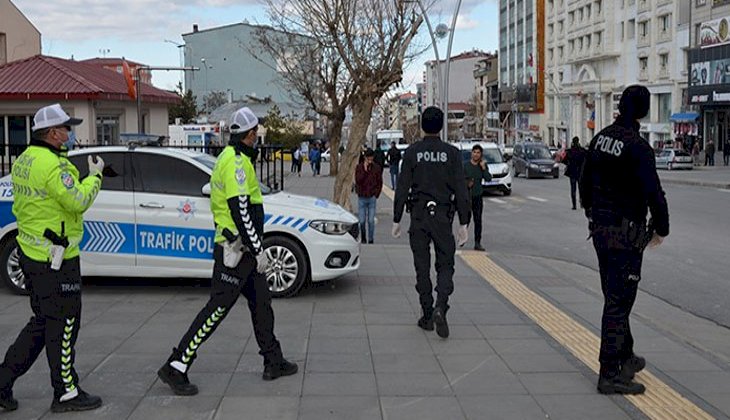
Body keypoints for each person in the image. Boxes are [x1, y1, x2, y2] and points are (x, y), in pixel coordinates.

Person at [158, 107, 297, 396]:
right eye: (256, 132)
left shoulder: (232, 158)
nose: (257, 136)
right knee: (216, 311)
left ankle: (273, 360)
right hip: (236, 252)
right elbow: (240, 208)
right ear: (249, 134)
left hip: (243, 251)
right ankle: (177, 364)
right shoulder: (235, 163)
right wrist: (259, 249)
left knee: (262, 305)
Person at [0, 104, 105, 413]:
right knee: (65, 323)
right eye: (66, 128)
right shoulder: (53, 166)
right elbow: (78, 201)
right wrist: (95, 177)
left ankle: (3, 380)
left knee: (43, 323)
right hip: (56, 259)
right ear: (52, 132)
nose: (70, 133)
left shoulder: (24, 160)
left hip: (32, 254)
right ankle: (66, 392)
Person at [579, 85, 669, 395]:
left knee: (614, 296)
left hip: (601, 231)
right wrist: (662, 228)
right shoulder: (638, 147)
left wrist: (591, 212)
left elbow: (584, 179)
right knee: (619, 303)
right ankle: (610, 372)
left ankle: (626, 355)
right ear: (643, 110)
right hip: (625, 235)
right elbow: (654, 193)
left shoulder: (602, 136)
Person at [392, 106, 470, 339]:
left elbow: (402, 187)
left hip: (418, 216)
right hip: (443, 217)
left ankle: (427, 314)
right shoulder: (452, 154)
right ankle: (441, 305)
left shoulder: (412, 152)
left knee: (421, 267)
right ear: (442, 125)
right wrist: (464, 223)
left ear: (422, 126)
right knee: (446, 265)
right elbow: (461, 190)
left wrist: (397, 218)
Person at [463, 144, 492, 251]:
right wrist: (467, 183)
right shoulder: (465, 165)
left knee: (478, 220)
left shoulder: (482, 165)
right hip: (467, 196)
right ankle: (462, 237)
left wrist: (484, 168)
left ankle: (477, 242)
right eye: (474, 152)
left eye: (478, 152)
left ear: (481, 154)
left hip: (478, 196)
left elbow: (488, 178)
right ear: (471, 153)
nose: (476, 154)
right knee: (466, 219)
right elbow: (460, 180)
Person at [355, 149, 383, 244]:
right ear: (365, 158)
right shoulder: (359, 168)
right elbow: (358, 180)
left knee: (371, 221)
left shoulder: (376, 168)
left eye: (371, 158)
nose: (370, 160)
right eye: (368, 158)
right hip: (362, 197)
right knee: (362, 221)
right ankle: (363, 237)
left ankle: (371, 239)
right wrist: (365, 170)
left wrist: (376, 194)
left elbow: (380, 182)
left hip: (372, 197)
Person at [563, 137, 586, 210]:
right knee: (581, 189)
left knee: (573, 190)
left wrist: (569, 164)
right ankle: (582, 203)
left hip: (572, 173)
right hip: (580, 173)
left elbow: (564, 160)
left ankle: (574, 205)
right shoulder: (582, 151)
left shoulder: (570, 151)